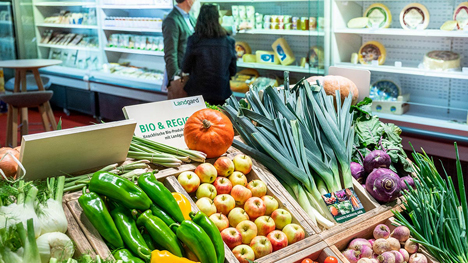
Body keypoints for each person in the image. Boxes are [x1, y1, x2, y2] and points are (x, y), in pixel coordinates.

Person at [181, 4, 237, 105]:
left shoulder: (194, 40)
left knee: (197, 120)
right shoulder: (229, 41)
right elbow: (233, 71)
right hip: (221, 92)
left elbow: (185, 67)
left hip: (197, 93)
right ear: (218, 19)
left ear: (200, 19)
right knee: (218, 120)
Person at [162, 0, 196, 92]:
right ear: (188, 1)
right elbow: (170, 53)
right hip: (181, 74)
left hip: (191, 74)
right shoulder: (171, 20)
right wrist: (175, 79)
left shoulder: (190, 17)